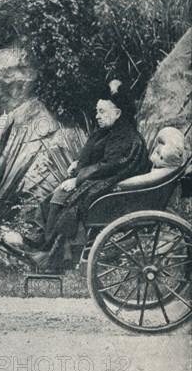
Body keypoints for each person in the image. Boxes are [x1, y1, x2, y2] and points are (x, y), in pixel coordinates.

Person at [25, 79, 151, 272]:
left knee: (65, 198)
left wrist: (78, 179)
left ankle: (53, 254)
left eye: (102, 112)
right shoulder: (113, 131)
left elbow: (110, 165)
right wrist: (78, 165)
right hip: (104, 177)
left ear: (117, 113)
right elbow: (101, 156)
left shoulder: (125, 135)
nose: (97, 116)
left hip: (112, 184)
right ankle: (44, 243)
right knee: (59, 195)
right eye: (96, 111)